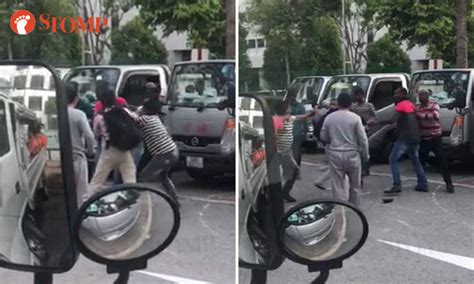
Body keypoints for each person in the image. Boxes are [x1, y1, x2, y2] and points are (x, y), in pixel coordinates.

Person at [320, 92, 369, 207]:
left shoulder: (329, 118)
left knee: (337, 185)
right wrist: (365, 156)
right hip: (352, 154)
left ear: (338, 103)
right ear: (351, 104)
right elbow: (363, 140)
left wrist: (331, 141)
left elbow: (323, 136)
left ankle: (339, 209)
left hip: (335, 153)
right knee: (355, 186)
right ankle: (354, 209)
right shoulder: (355, 118)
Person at [378, 87, 428, 194]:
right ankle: (423, 183)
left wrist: (376, 121)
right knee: (415, 159)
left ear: (403, 94)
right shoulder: (410, 104)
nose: (394, 96)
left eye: (397, 94)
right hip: (415, 136)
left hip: (405, 137)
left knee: (393, 159)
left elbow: (392, 120)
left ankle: (397, 185)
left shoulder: (402, 105)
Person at [88, 88, 137, 194]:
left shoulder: (100, 117)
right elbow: (135, 119)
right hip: (124, 150)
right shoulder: (123, 111)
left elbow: (96, 134)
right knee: (130, 179)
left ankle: (86, 202)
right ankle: (132, 203)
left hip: (109, 151)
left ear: (101, 101)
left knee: (97, 180)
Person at [134, 97, 179, 204]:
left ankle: (136, 202)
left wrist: (136, 111)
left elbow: (133, 119)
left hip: (163, 155)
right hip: (173, 151)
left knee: (142, 177)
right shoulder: (155, 118)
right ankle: (174, 201)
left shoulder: (144, 119)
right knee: (164, 177)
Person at [274, 101, 314, 202]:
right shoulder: (277, 120)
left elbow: (300, 117)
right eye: (288, 107)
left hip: (287, 150)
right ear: (285, 109)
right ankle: (281, 193)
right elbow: (273, 135)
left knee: (292, 171)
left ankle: (283, 192)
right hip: (280, 151)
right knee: (291, 170)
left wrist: (310, 114)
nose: (290, 108)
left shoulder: (290, 118)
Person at [416, 89, 454, 193]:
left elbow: (435, 116)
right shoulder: (418, 107)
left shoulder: (434, 105)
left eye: (422, 95)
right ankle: (422, 183)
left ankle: (449, 184)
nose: (420, 97)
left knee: (443, 161)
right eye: (419, 95)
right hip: (424, 139)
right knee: (420, 161)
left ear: (427, 96)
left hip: (435, 137)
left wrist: (420, 115)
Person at [66, 83, 95, 205]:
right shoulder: (78, 114)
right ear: (76, 98)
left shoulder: (56, 113)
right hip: (77, 157)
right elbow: (89, 136)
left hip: (62, 158)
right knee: (81, 193)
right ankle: (80, 219)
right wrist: (90, 151)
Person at [313, 99, 339, 190]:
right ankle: (320, 180)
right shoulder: (334, 116)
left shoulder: (325, 116)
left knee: (335, 165)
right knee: (335, 166)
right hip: (334, 144)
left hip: (328, 144)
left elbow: (317, 129)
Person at [350, 86, 376, 176]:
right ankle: (360, 169)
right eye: (355, 96)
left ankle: (366, 168)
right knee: (358, 150)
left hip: (367, 129)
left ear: (362, 95)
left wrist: (370, 122)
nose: (357, 97)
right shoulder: (353, 107)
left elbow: (375, 116)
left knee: (366, 149)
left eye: (358, 95)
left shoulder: (369, 105)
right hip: (356, 130)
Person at [287, 84, 306, 179]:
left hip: (292, 133)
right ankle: (294, 172)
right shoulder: (299, 106)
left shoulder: (288, 106)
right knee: (294, 153)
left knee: (292, 153)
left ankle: (294, 172)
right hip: (294, 133)